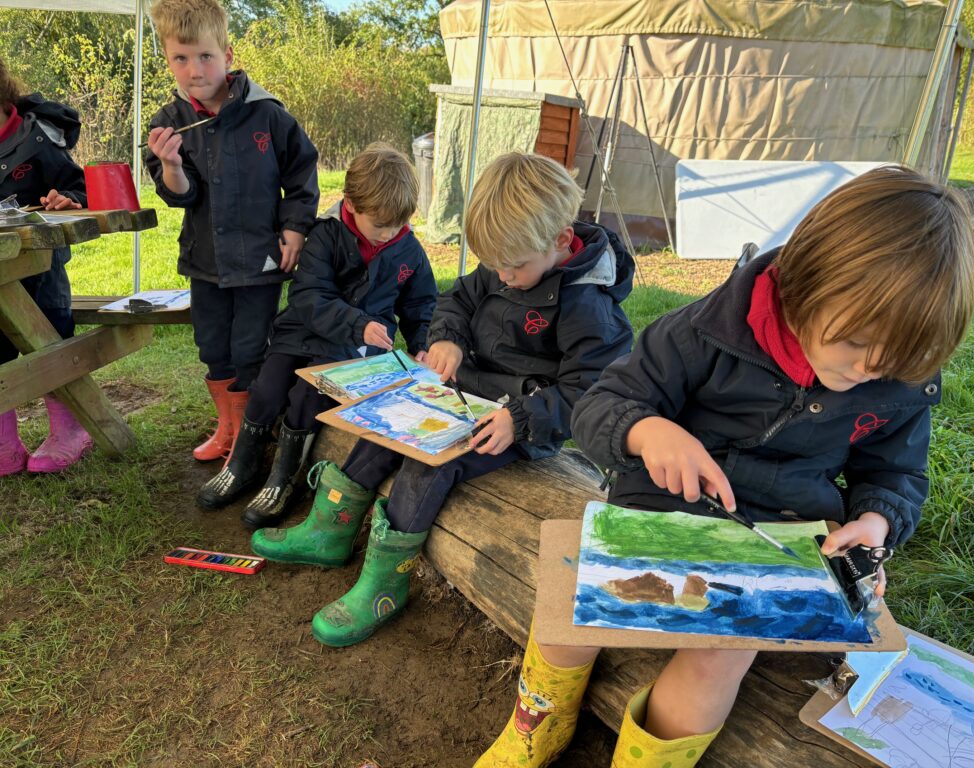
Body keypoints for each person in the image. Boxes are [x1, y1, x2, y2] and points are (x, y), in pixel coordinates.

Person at [475, 165, 974, 768]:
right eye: (853, 343)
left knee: (719, 657)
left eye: (895, 361)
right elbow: (602, 404)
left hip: (778, 541)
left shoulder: (900, 374)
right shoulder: (703, 332)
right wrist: (647, 430)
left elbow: (895, 475)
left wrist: (874, 524)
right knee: (566, 612)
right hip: (659, 510)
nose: (870, 370)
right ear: (804, 283)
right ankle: (539, 726)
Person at [250, 152, 635, 648]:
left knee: (428, 465)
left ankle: (385, 582)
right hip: (464, 393)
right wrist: (448, 338)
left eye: (512, 267)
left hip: (515, 420)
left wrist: (521, 419)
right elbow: (456, 300)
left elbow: (590, 393)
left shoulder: (591, 308)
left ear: (561, 242)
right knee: (387, 424)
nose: (501, 275)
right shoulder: (512, 258)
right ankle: (331, 527)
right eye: (493, 264)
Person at [196, 143, 438, 530]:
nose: (389, 233)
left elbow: (421, 305)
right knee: (268, 387)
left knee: (305, 395)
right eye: (380, 225)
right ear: (351, 205)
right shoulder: (325, 235)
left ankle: (283, 480)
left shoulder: (408, 250)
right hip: (303, 332)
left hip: (351, 350)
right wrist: (357, 322)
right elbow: (308, 296)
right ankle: (242, 464)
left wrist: (424, 343)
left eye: (398, 225)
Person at [146, 0, 319, 463]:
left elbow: (301, 176)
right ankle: (228, 428)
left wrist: (296, 229)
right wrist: (170, 164)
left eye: (204, 56)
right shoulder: (168, 123)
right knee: (212, 344)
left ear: (227, 53)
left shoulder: (269, 115)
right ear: (167, 59)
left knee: (250, 347)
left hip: (262, 259)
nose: (194, 69)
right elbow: (181, 195)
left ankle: (250, 433)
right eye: (180, 58)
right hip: (206, 261)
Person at [0, 58, 92, 476]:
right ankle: (4, 443)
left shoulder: (38, 137)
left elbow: (79, 188)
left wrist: (66, 199)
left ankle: (70, 432)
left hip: (42, 268)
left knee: (51, 336)